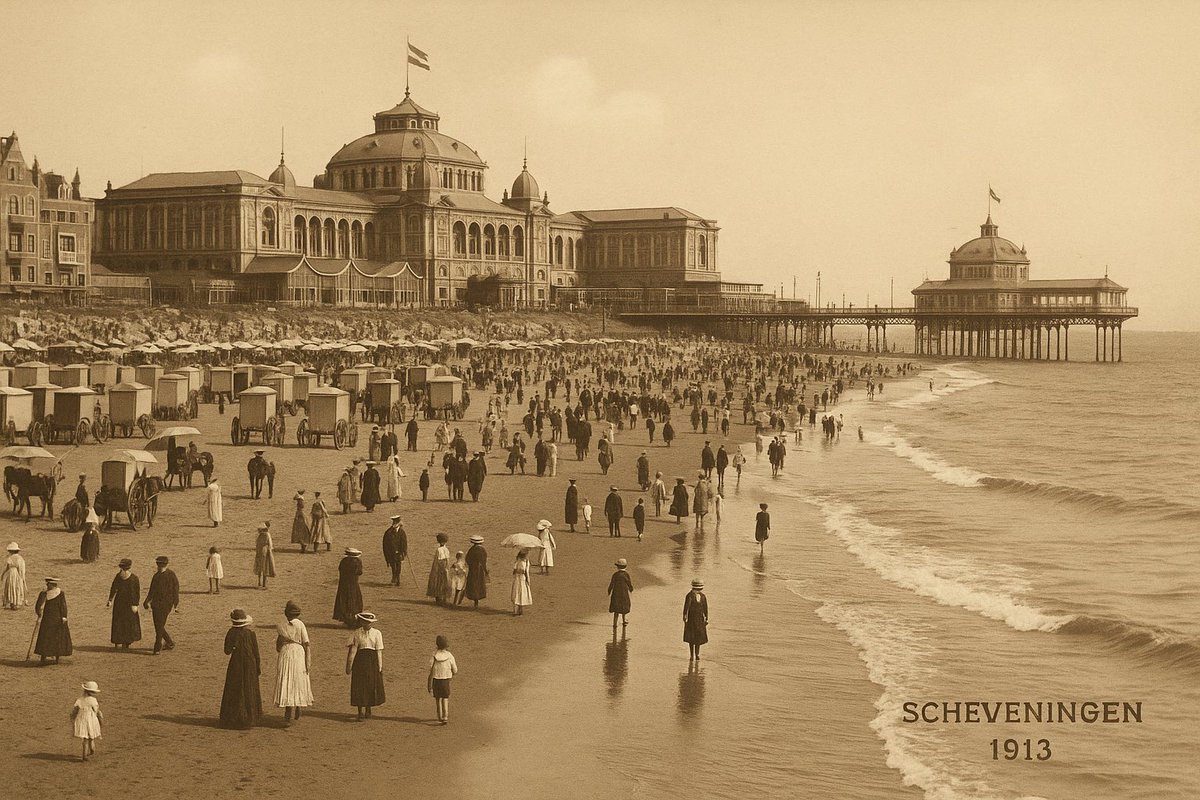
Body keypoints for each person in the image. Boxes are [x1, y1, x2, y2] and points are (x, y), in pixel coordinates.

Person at [220, 609, 262, 730]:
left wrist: (234, 646)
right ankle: (249, 718)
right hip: (250, 663)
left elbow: (227, 651)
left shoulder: (231, 633)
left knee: (235, 689)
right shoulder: (250, 634)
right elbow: (256, 653)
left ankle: (234, 718)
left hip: (236, 664)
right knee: (248, 688)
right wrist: (258, 667)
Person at [275, 600, 313, 726]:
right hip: (298, 653)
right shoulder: (301, 625)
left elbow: (278, 646)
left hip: (286, 653)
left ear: (286, 614)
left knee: (287, 679)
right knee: (298, 679)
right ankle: (298, 704)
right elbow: (306, 643)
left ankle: (288, 711)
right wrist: (308, 661)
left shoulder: (280, 625)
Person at [346, 611, 385, 721]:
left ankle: (368, 708)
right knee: (359, 685)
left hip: (372, 662)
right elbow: (353, 650)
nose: (368, 624)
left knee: (370, 684)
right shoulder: (357, 633)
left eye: (370, 622)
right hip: (360, 662)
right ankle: (360, 711)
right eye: (366, 622)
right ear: (362, 622)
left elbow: (379, 651)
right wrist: (349, 666)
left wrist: (380, 666)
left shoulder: (377, 633)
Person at [143, 556, 179, 654]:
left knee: (158, 625)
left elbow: (151, 591)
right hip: (164, 604)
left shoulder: (157, 576)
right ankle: (169, 642)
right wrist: (176, 605)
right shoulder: (171, 575)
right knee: (159, 625)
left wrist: (147, 601)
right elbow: (176, 591)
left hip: (162, 604)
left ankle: (157, 647)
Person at [33, 577, 72, 664]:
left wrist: (64, 617)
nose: (47, 585)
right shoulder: (44, 593)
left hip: (56, 619)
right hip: (47, 618)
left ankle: (56, 656)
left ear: (52, 584)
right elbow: (38, 605)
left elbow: (63, 606)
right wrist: (39, 613)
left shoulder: (60, 593)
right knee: (46, 636)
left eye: (48, 584)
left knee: (55, 637)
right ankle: (44, 655)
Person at [106, 558, 141, 649]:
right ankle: (118, 642)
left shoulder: (133, 578)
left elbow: (136, 593)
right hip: (121, 603)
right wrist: (110, 600)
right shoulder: (121, 577)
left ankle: (125, 642)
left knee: (126, 623)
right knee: (119, 622)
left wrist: (135, 604)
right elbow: (113, 588)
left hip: (128, 604)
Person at [427, 635, 458, 725]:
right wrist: (453, 673)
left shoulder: (434, 655)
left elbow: (430, 666)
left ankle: (439, 716)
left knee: (438, 699)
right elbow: (455, 669)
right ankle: (445, 716)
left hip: (436, 680)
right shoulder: (449, 655)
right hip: (446, 680)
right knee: (445, 698)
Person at [71, 681, 103, 762]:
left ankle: (84, 755)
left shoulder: (79, 700)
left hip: (82, 720)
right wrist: (99, 719)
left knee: (85, 738)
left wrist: (72, 718)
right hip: (91, 720)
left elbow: (75, 710)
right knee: (91, 738)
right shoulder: (93, 700)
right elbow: (96, 710)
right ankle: (92, 750)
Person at [333, 548, 364, 626]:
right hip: (353, 584)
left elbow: (340, 569)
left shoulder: (344, 561)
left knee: (344, 600)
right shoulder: (357, 562)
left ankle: (345, 618)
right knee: (354, 600)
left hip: (343, 584)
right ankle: (353, 618)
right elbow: (359, 572)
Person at [683, 579, 709, 660]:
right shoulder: (689, 596)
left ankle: (697, 654)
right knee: (691, 638)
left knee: (698, 637)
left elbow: (705, 608)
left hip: (700, 619)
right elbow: (686, 607)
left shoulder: (703, 596)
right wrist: (685, 616)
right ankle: (691, 655)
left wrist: (706, 618)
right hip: (691, 619)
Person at [426, 533, 452, 605]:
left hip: (439, 568)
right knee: (444, 582)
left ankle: (439, 597)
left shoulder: (439, 550)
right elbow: (447, 560)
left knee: (438, 582)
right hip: (444, 567)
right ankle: (443, 597)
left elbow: (440, 560)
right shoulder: (446, 549)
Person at [463, 535, 489, 608]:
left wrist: (471, 565)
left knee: (473, 583)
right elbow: (484, 561)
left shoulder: (471, 549)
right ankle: (477, 601)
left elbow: (467, 559)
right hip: (480, 570)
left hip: (472, 570)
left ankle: (475, 601)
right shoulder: (483, 550)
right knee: (479, 584)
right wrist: (486, 571)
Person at [607, 558, 633, 629]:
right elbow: (629, 583)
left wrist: (609, 590)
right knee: (624, 608)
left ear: (618, 566)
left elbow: (611, 583)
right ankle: (624, 621)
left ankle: (614, 624)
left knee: (616, 610)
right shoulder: (626, 575)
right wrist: (631, 589)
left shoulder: (615, 575)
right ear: (625, 566)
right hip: (624, 594)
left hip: (616, 594)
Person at [382, 515, 407, 586]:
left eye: (397, 522)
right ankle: (394, 577)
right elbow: (385, 545)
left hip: (399, 553)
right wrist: (387, 555)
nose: (395, 523)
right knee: (393, 566)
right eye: (394, 522)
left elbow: (404, 542)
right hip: (391, 553)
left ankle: (397, 578)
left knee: (399, 566)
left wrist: (404, 551)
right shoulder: (388, 532)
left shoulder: (402, 532)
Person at [2, 541, 27, 609]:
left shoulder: (10, 558)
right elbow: (21, 568)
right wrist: (21, 576)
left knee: (11, 587)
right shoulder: (20, 558)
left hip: (11, 574)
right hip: (16, 574)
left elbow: (6, 567)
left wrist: (2, 574)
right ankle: (16, 603)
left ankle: (11, 602)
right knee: (16, 587)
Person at [254, 523, 276, 590]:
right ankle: (264, 583)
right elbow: (270, 545)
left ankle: (259, 583)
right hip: (266, 552)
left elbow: (257, 544)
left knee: (260, 568)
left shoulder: (260, 536)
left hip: (259, 552)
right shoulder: (267, 535)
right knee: (265, 568)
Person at [510, 549, 532, 616]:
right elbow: (526, 573)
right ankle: (520, 610)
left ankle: (516, 610)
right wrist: (528, 581)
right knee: (522, 593)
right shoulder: (526, 563)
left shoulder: (517, 561)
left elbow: (513, 572)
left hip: (517, 578)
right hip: (522, 579)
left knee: (516, 592)